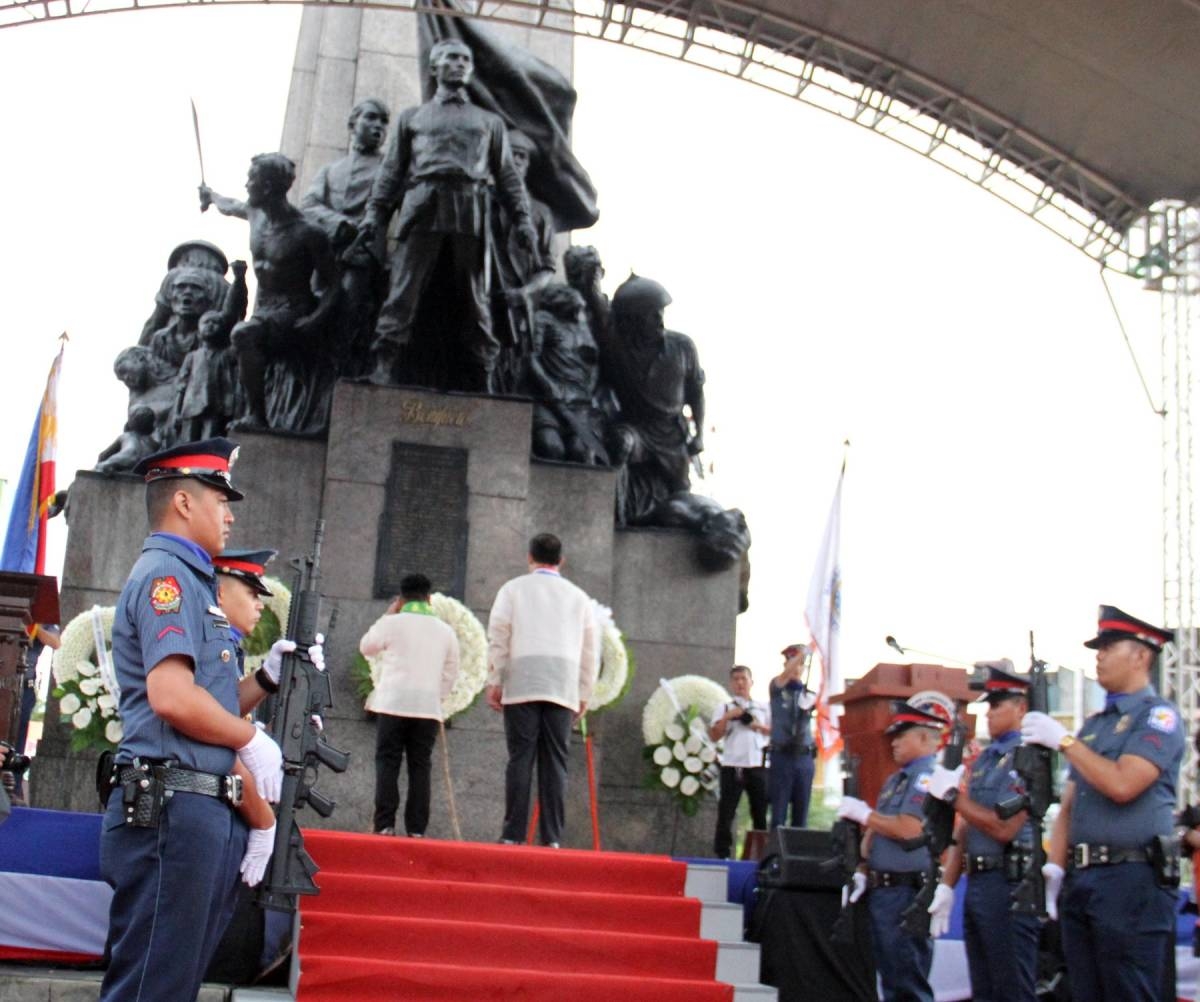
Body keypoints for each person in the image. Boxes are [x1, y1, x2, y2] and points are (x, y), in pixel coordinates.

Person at [98, 438, 286, 1002]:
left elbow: (211, 701)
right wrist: (252, 738)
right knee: (151, 989)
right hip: (172, 809)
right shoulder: (167, 577)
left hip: (195, 806)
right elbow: (173, 698)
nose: (229, 515)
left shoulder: (191, 581)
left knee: (169, 986)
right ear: (183, 502)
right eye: (220, 499)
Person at [1022, 605, 1183, 1002]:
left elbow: (1124, 784)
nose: (1099, 655)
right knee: (1084, 991)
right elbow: (1072, 805)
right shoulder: (1095, 725)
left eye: (1110, 646)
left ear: (1142, 655)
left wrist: (1063, 741)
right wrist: (1055, 867)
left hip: (1132, 877)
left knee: (1130, 990)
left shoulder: (1158, 717)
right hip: (1085, 877)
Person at [359, 38, 536, 392]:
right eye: (450, 58)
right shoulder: (412, 117)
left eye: (465, 59)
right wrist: (374, 215)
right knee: (403, 289)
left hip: (470, 205)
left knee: (475, 295)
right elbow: (391, 171)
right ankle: (383, 365)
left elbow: (507, 177)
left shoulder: (488, 121)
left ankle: (484, 371)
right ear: (434, 67)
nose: (459, 64)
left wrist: (523, 219)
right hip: (422, 202)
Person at [200, 153, 339, 435]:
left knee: (242, 334)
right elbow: (229, 205)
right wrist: (211, 196)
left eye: (252, 179)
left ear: (268, 187)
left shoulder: (308, 232)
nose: (246, 184)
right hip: (264, 308)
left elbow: (335, 284)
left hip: (294, 309)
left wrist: (316, 319)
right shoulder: (255, 214)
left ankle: (257, 417)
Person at [925, 660, 1039, 1002]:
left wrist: (952, 797)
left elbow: (1004, 827)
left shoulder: (1027, 756)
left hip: (1009, 883)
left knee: (1011, 989)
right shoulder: (988, 759)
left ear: (1020, 708)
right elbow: (967, 827)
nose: (988, 713)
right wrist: (947, 885)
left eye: (996, 705)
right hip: (979, 881)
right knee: (984, 989)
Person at [486, 533, 597, 847]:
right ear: (561, 560)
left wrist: (495, 679)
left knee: (520, 758)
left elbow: (499, 634)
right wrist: (584, 692)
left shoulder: (513, 589)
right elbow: (590, 650)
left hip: (522, 680)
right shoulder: (579, 597)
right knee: (556, 763)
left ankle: (512, 835)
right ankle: (551, 838)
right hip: (562, 685)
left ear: (529, 557)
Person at [837, 700, 946, 1002]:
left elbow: (910, 829)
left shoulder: (927, 778)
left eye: (902, 735)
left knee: (907, 982)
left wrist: (865, 815)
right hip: (885, 891)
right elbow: (877, 833)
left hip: (907, 891)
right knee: (891, 981)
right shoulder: (896, 780)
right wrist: (862, 868)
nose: (894, 742)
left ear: (925, 738)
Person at [359, 573, 460, 837]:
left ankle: (384, 825)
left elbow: (366, 647)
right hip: (426, 708)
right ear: (429, 598)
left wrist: (388, 614)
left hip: (392, 704)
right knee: (420, 766)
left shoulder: (392, 623)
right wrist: (436, 697)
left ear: (400, 599)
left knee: (388, 763)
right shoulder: (445, 631)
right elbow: (451, 671)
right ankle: (416, 829)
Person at [604, 274, 706, 526]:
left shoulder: (682, 346)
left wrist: (699, 434)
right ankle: (615, 514)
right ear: (634, 320)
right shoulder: (617, 348)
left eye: (660, 312)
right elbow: (598, 314)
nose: (659, 318)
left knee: (681, 491)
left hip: (672, 433)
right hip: (636, 427)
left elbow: (696, 392)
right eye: (651, 314)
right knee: (621, 444)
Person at [301, 97, 390, 378]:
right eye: (372, 118)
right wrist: (340, 222)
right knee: (314, 313)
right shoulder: (329, 170)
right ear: (353, 123)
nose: (379, 126)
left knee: (347, 318)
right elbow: (309, 205)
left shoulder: (390, 168)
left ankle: (341, 378)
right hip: (326, 254)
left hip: (363, 256)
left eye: (383, 122)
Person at [709, 664, 769, 859]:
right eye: (736, 679)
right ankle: (723, 853)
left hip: (757, 765)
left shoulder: (763, 707)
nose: (740, 683)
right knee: (726, 811)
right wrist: (728, 717)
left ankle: (761, 853)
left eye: (744, 679)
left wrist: (751, 722)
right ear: (731, 684)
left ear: (751, 682)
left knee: (759, 811)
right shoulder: (724, 707)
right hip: (732, 765)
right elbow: (714, 735)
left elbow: (772, 732)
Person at [768, 643, 817, 829]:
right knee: (779, 813)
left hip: (804, 756)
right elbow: (785, 676)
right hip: (782, 755)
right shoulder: (778, 688)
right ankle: (775, 855)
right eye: (793, 663)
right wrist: (803, 652)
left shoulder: (809, 695)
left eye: (801, 664)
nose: (796, 668)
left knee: (801, 813)